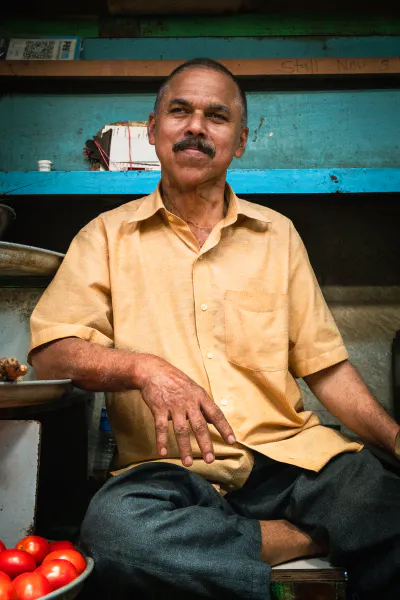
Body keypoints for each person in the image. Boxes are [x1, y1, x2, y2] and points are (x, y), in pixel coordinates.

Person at [29, 58, 400, 600]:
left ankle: (264, 542)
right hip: (166, 473)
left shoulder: (277, 235)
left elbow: (326, 367)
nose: (197, 127)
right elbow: (51, 354)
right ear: (155, 130)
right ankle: (305, 538)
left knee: (388, 501)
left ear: (240, 140)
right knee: (115, 536)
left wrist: (393, 438)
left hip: (288, 461)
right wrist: (143, 368)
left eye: (217, 116)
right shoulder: (105, 238)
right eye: (180, 111)